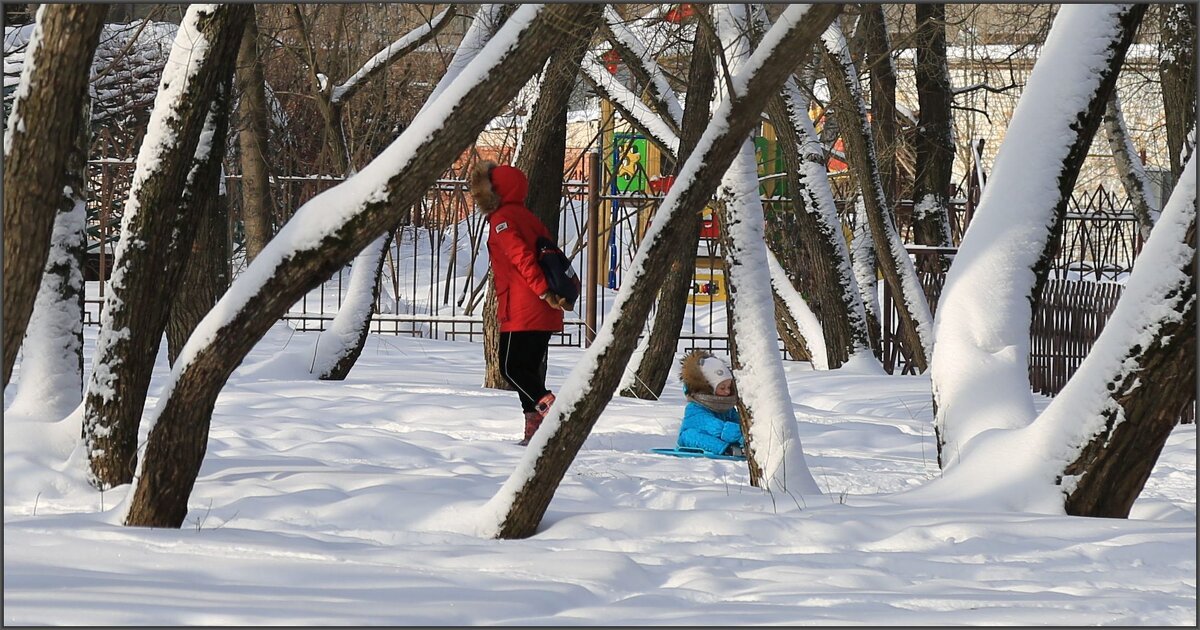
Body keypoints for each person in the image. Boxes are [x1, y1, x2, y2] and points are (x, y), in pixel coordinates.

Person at [470, 160, 569, 446]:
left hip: (526, 306)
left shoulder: (503, 220)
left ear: (495, 191)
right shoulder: (526, 216)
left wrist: (542, 293)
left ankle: (550, 409)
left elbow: (522, 258)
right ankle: (535, 429)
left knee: (511, 367)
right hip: (538, 307)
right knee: (526, 367)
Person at [677, 350, 745, 457]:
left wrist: (744, 435)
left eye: (728, 387)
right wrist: (736, 431)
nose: (727, 391)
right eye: (722, 388)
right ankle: (727, 449)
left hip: (723, 438)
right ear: (710, 388)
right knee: (691, 436)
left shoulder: (727, 407)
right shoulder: (695, 407)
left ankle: (734, 448)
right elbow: (711, 425)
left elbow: (737, 421)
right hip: (694, 439)